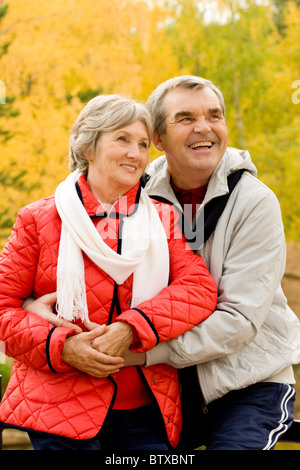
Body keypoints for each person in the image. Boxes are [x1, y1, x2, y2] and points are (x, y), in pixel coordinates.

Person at [0, 94, 217, 451]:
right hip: (58, 409)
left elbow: (198, 289)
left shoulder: (165, 219)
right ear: (88, 147)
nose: (136, 153)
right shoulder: (38, 219)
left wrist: (131, 327)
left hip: (149, 411)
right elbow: (5, 310)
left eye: (143, 144)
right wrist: (62, 347)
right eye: (122, 139)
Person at [126, 75, 300, 450]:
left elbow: (238, 320)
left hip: (248, 384)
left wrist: (138, 353)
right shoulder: (134, 194)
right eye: (186, 118)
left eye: (214, 115)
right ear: (157, 138)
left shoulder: (255, 202)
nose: (204, 127)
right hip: (164, 387)